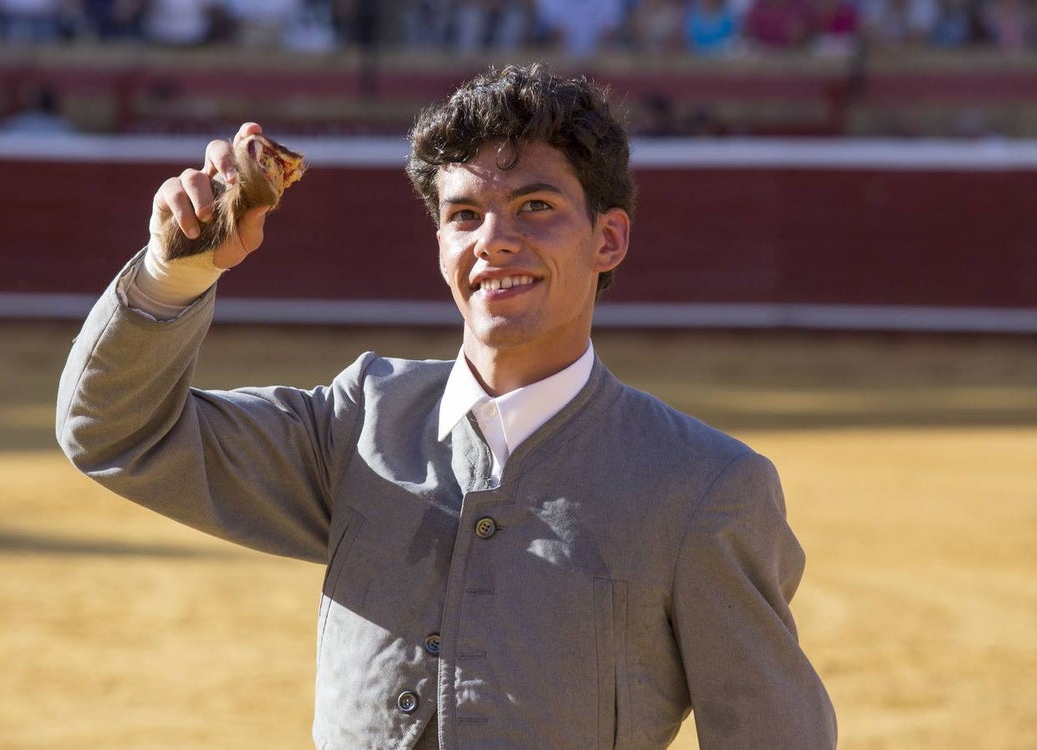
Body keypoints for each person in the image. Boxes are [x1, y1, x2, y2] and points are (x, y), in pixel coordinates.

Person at [57, 63, 837, 749]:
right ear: (438, 244)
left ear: (608, 241)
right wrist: (173, 273)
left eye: (536, 207)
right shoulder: (360, 425)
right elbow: (115, 432)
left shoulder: (703, 487)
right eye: (464, 215)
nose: (493, 240)